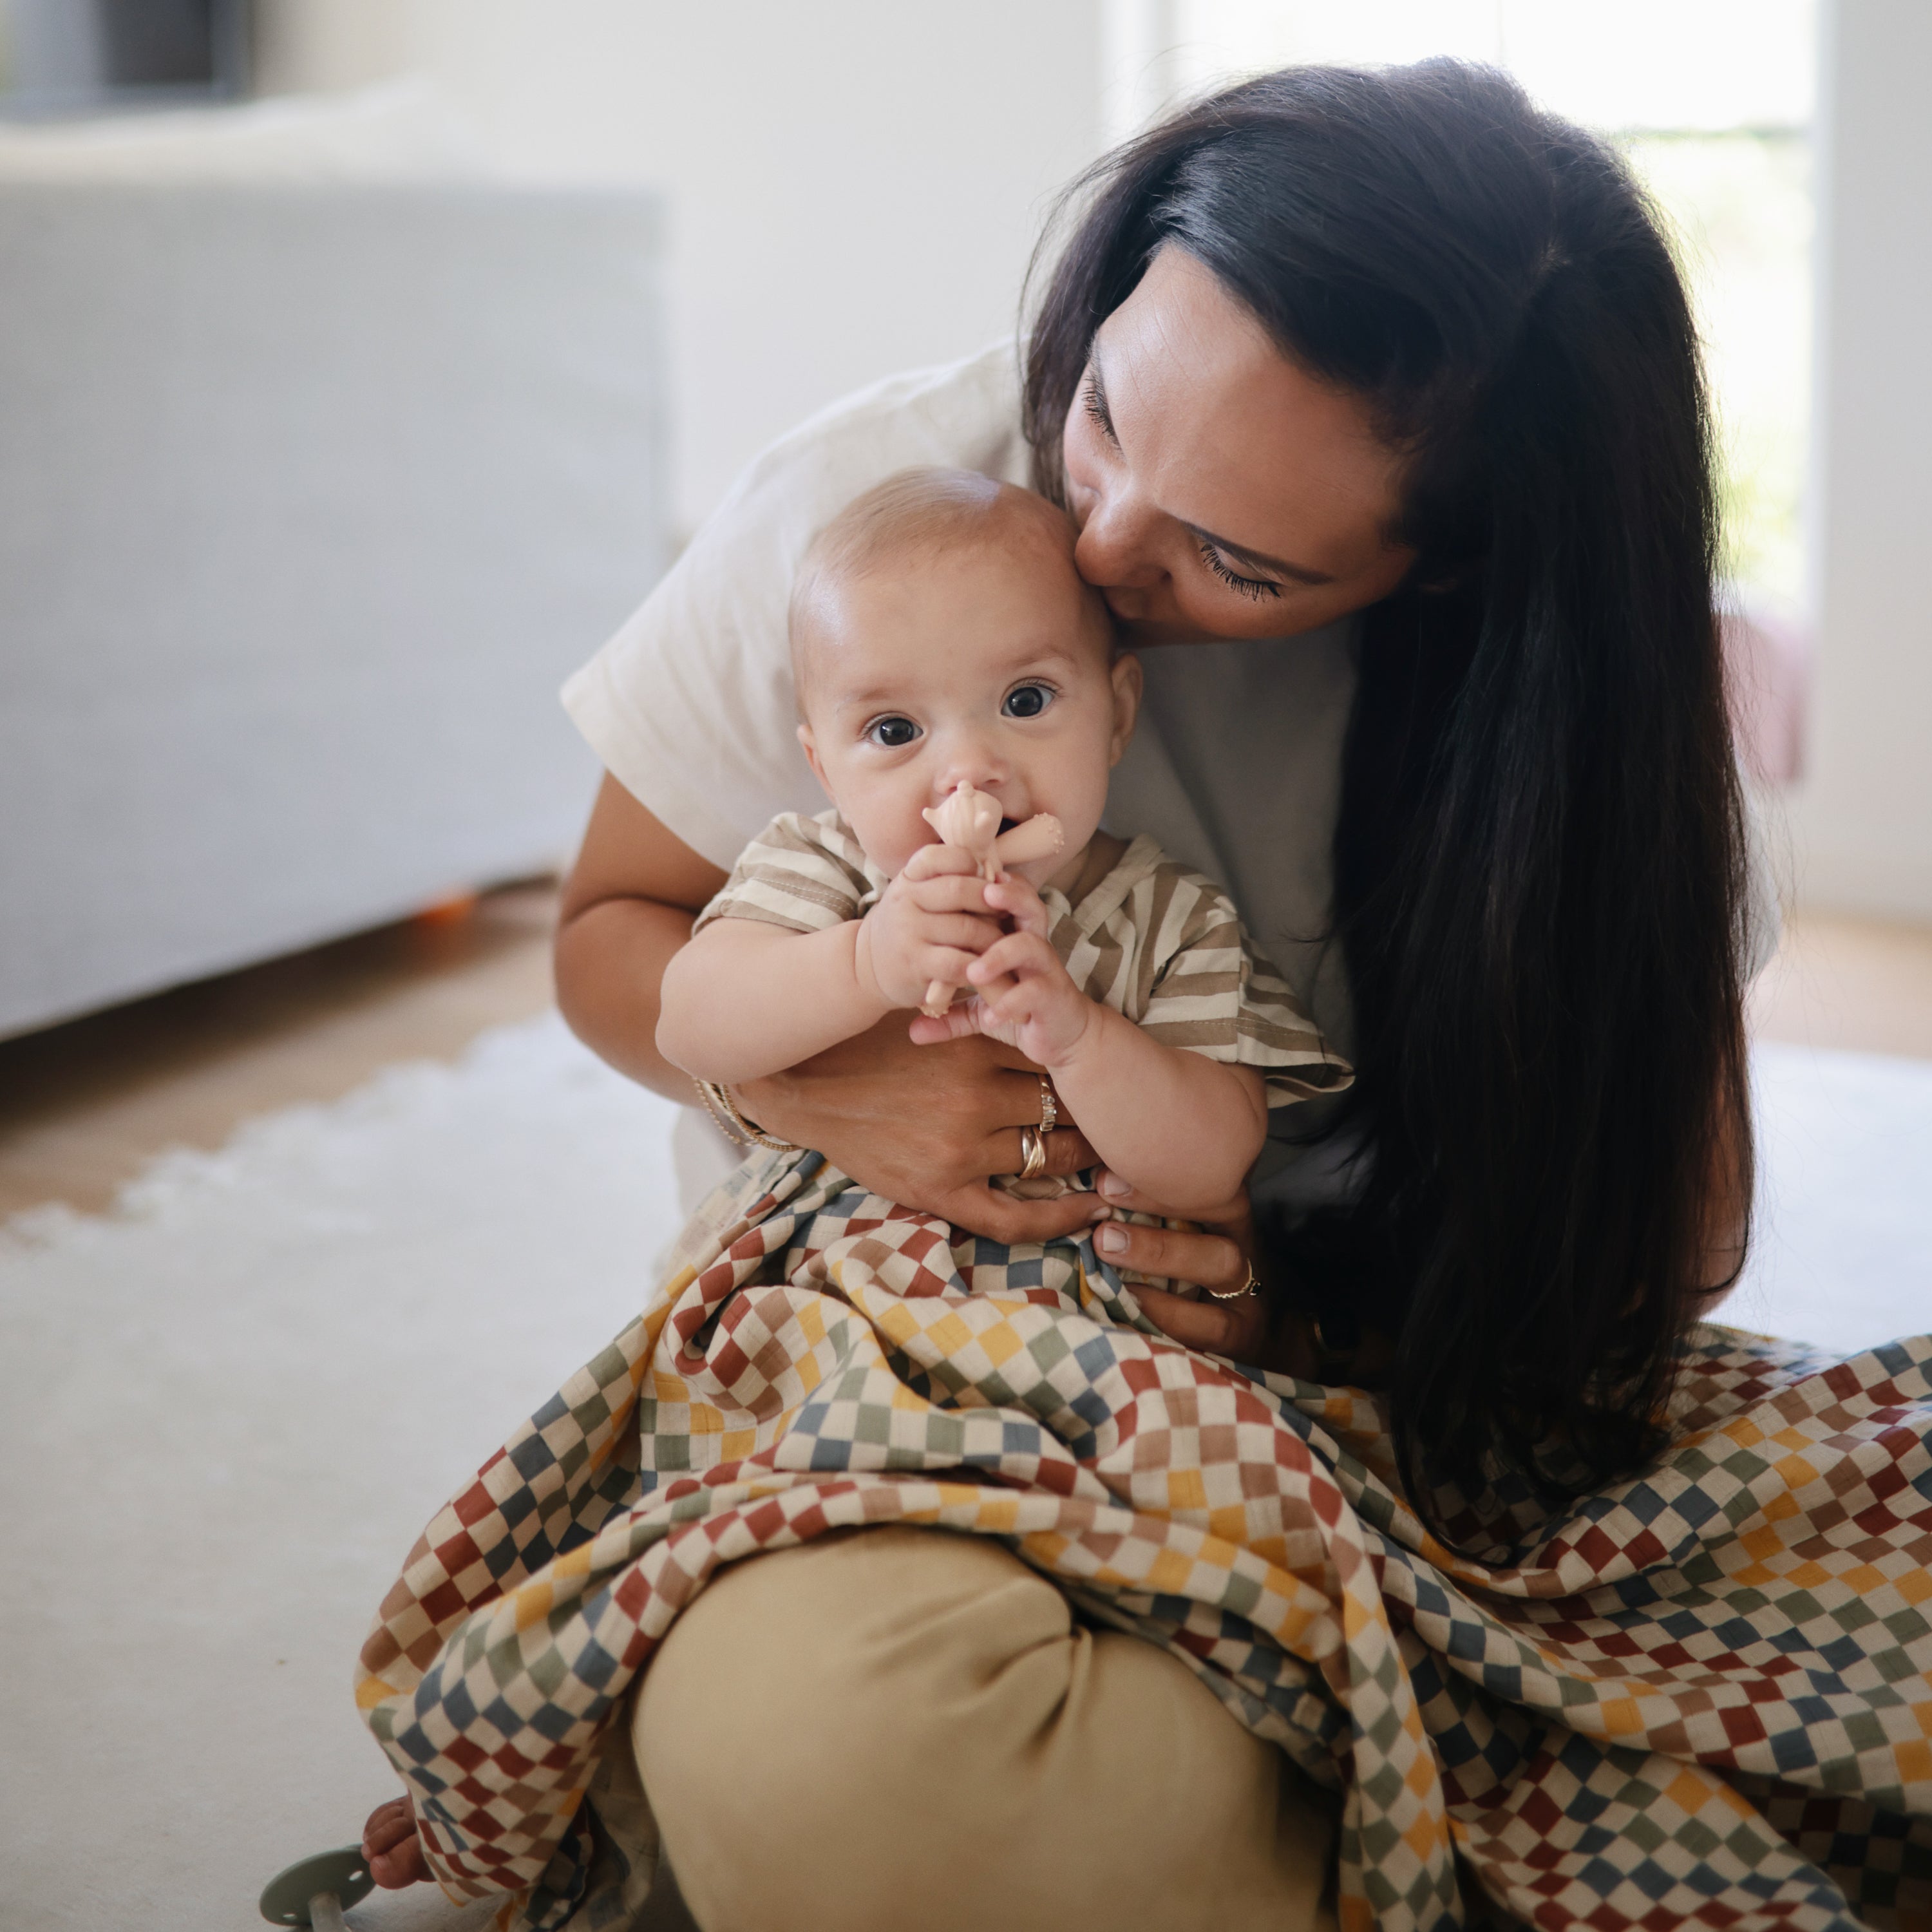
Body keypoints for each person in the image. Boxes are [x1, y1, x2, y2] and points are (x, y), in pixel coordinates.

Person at [365, 59, 1803, 1932]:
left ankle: (1328, 1747)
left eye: (1237, 561)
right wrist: (827, 1086)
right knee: (830, 1745)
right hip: (876, 1413)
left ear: (1443, 574)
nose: (1103, 547)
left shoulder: (1572, 696)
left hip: (1338, 1414)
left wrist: (1305, 1307)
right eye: (1112, 410)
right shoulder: (872, 528)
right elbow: (609, 930)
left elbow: (1667, 1236)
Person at [659, 466, 1349, 1234]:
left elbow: (1213, 1167)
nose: (968, 768)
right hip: (830, 1276)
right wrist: (864, 964)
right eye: (894, 730)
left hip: (1076, 1311)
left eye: (1025, 700)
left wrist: (1084, 1040)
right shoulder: (825, 866)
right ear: (824, 767)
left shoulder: (1172, 920)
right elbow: (688, 1025)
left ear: (1118, 715)